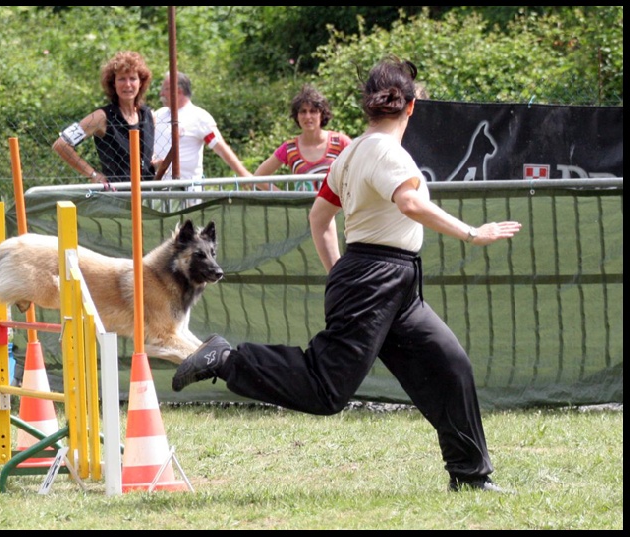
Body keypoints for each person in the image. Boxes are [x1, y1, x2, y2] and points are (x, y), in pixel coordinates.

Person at [171, 54, 523, 493]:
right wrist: (474, 233)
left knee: (450, 366)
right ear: (411, 107)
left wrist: (340, 272)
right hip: (376, 279)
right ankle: (226, 359)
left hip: (390, 283)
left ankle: (470, 476)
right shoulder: (383, 151)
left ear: (368, 107)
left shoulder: (353, 151)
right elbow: (410, 204)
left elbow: (319, 220)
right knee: (326, 389)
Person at [52, 51, 156, 191]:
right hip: (116, 198)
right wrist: (93, 174)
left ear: (141, 82)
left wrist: (158, 164)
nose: (127, 84)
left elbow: (146, 160)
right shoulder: (101, 117)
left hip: (147, 198)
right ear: (113, 83)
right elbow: (61, 145)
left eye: (132, 78)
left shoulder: (148, 116)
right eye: (121, 79)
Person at [153, 71, 252, 203]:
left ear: (178, 90)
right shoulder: (158, 115)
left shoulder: (199, 117)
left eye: (164, 89)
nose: (161, 94)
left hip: (187, 194)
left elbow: (221, 148)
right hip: (157, 192)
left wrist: (243, 174)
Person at [253, 84, 352, 191]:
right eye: (303, 111)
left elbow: (362, 169)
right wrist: (285, 198)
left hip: (337, 207)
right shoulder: (289, 148)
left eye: (313, 111)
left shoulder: (340, 142)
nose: (308, 116)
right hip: (304, 208)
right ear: (297, 116)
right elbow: (258, 177)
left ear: (322, 114)